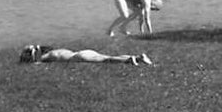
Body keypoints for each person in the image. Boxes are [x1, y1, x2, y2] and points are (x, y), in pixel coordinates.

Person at [20, 44, 152, 66]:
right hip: (84, 52)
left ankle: (131, 59)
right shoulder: (57, 50)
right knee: (106, 57)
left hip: (78, 57)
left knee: (106, 60)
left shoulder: (48, 56)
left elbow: (36, 61)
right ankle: (136, 58)